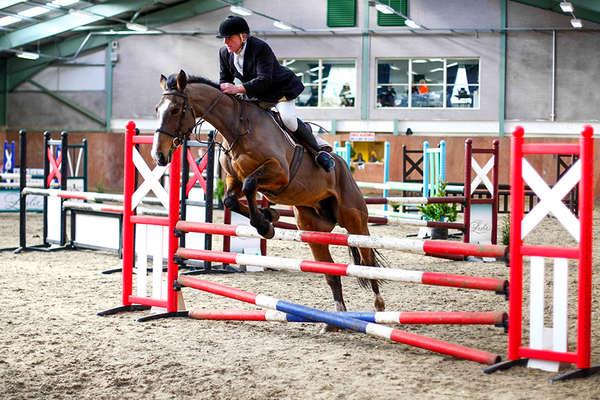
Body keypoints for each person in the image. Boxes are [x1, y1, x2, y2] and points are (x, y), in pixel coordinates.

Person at [216, 16, 334, 172]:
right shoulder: (224, 53)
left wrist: (237, 89)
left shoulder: (260, 48)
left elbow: (264, 79)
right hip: (255, 94)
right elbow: (225, 79)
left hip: (279, 90)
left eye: (229, 38)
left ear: (243, 36)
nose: (225, 42)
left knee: (288, 120)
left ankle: (318, 150)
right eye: (224, 38)